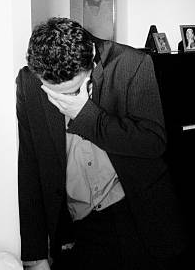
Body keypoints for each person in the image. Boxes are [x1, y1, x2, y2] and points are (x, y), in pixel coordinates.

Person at [16, 18, 186, 270]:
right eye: (55, 93)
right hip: (78, 226)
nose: (65, 99)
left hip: (136, 212)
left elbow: (153, 142)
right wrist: (35, 253)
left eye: (74, 89)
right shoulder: (29, 82)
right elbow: (30, 165)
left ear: (92, 56)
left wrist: (85, 114)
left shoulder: (132, 64)